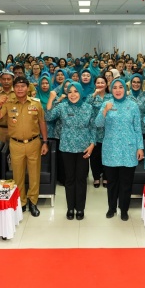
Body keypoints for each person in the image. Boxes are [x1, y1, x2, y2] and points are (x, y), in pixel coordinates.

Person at [0, 77, 49, 217]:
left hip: (34, 143)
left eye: (23, 86)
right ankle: (21, 202)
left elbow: (42, 122)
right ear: (13, 88)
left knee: (34, 174)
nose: (20, 89)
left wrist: (45, 142)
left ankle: (33, 202)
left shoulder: (36, 103)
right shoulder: (8, 103)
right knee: (18, 175)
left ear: (28, 88)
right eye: (17, 86)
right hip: (16, 144)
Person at [94, 79, 144, 221]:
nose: (117, 90)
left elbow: (137, 128)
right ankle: (111, 208)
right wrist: (104, 111)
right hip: (111, 149)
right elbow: (98, 124)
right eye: (114, 87)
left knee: (126, 182)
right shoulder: (106, 104)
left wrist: (140, 147)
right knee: (112, 182)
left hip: (129, 149)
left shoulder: (133, 106)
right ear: (111, 89)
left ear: (125, 89)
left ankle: (124, 209)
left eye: (120, 87)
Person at [46, 82, 95, 220]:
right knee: (69, 179)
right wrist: (51, 99)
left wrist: (92, 145)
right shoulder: (62, 106)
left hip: (84, 149)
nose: (73, 95)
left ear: (80, 92)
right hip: (66, 148)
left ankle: (80, 209)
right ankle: (70, 208)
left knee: (81, 179)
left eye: (76, 91)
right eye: (70, 92)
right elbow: (48, 116)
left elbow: (93, 128)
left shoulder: (88, 108)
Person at [88, 75, 110, 188]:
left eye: (102, 83)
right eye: (98, 83)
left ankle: (106, 177)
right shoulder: (92, 97)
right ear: (95, 84)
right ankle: (96, 177)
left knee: (106, 154)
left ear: (106, 84)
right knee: (95, 155)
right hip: (94, 130)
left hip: (108, 130)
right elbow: (85, 106)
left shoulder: (111, 97)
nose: (100, 85)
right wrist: (94, 94)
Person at [0, 71, 16, 142]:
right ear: (0, 80)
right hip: (0, 129)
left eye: (8, 79)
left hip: (14, 129)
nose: (6, 81)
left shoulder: (18, 92)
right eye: (4, 79)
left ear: (13, 80)